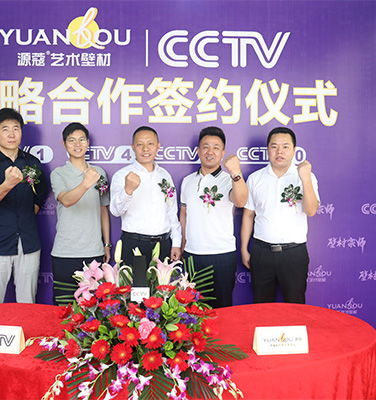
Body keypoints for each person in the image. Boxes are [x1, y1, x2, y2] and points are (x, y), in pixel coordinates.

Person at [0, 108, 47, 305]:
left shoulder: (32, 163)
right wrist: (7, 184)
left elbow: (40, 194)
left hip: (29, 242)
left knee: (27, 303)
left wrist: (27, 218)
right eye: (5, 129)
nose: (11, 134)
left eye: (16, 128)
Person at [241, 127, 320, 304]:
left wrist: (305, 179)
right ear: (268, 149)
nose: (279, 151)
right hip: (262, 252)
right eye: (274, 146)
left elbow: (311, 211)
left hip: (294, 253)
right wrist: (244, 249)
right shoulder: (255, 178)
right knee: (261, 305)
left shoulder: (306, 177)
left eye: (285, 146)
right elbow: (248, 215)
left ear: (294, 150)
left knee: (295, 305)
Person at [179, 126, 248, 307]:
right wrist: (182, 244)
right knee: (193, 309)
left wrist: (236, 172)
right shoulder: (187, 181)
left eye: (216, 147)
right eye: (206, 147)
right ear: (198, 151)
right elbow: (184, 215)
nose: (210, 152)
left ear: (223, 153)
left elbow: (241, 201)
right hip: (192, 254)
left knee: (222, 308)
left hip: (222, 254)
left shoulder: (230, 180)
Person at [50, 123, 111, 305]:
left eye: (82, 140)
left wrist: (106, 244)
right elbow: (66, 200)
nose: (77, 144)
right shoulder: (58, 174)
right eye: (72, 140)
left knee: (94, 308)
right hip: (65, 253)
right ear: (64, 144)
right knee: (64, 308)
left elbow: (103, 209)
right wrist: (86, 182)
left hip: (93, 252)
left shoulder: (99, 173)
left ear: (88, 143)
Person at [110, 126, 181, 269]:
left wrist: (176, 243)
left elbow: (171, 212)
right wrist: (128, 190)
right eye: (140, 144)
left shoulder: (164, 175)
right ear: (133, 147)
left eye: (150, 143)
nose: (145, 149)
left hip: (163, 245)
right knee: (134, 284)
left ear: (158, 146)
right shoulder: (122, 175)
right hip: (134, 244)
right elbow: (115, 211)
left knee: (163, 284)